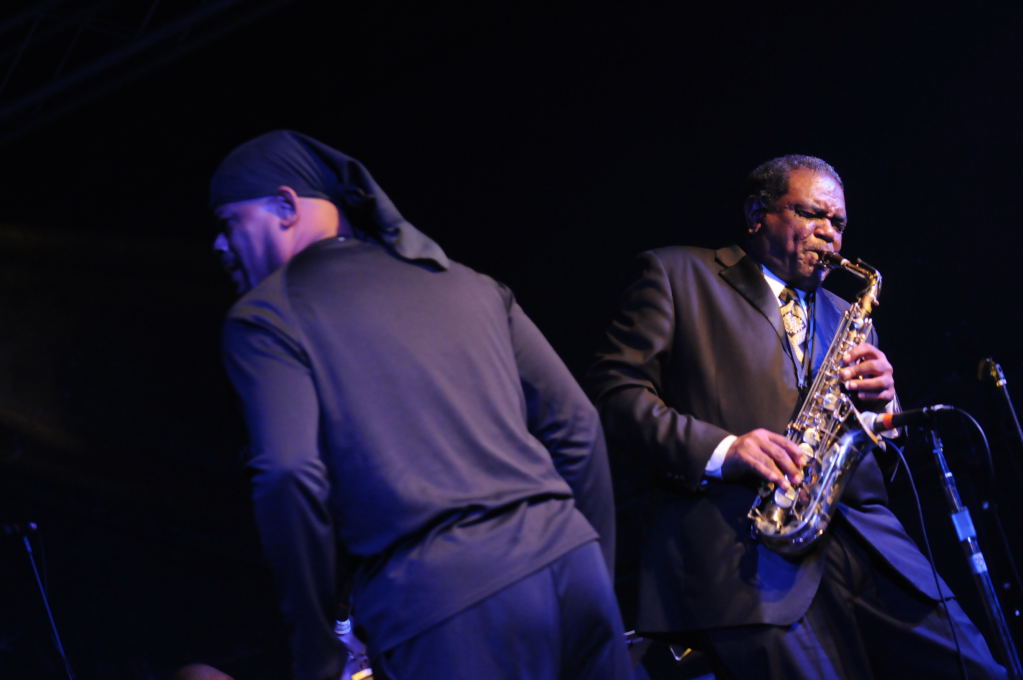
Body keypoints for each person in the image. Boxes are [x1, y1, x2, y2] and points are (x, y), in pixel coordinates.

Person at [208, 130, 631, 680]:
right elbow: (578, 426)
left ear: (286, 207)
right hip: (573, 569)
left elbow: (289, 474)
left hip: (447, 604)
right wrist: (590, 568)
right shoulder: (468, 283)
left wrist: (314, 648)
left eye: (229, 223)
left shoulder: (267, 315)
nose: (220, 246)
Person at [585, 155, 1007, 678]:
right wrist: (725, 450)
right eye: (812, 214)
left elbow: (881, 461)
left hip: (869, 543)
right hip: (745, 548)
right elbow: (616, 395)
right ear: (756, 214)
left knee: (981, 670)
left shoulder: (849, 316)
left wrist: (885, 409)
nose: (830, 233)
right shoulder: (676, 273)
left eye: (839, 223)